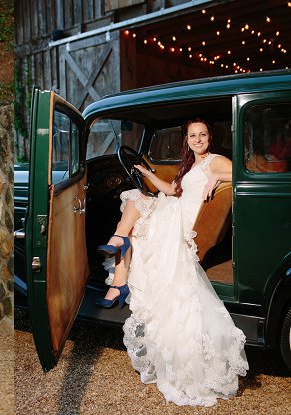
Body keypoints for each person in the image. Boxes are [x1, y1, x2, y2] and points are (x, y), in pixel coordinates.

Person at [95, 118, 248, 406]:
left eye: (203, 134)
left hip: (180, 222)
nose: (198, 139)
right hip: (175, 210)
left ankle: (118, 260)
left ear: (209, 137)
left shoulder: (214, 161)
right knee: (135, 204)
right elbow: (173, 190)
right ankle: (118, 264)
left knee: (132, 201)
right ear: (187, 140)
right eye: (193, 136)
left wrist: (216, 178)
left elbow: (243, 172)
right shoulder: (191, 163)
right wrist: (146, 173)